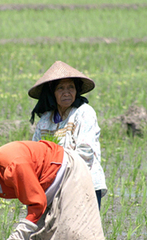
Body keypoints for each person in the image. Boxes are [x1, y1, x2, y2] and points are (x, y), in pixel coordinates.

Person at [29, 61, 107, 209]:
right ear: (52, 93)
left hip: (83, 183)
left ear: (76, 90)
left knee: (84, 230)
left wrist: (57, 169)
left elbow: (86, 151)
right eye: (60, 88)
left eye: (71, 87)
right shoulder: (46, 120)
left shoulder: (84, 113)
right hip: (53, 186)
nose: (66, 92)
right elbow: (35, 153)